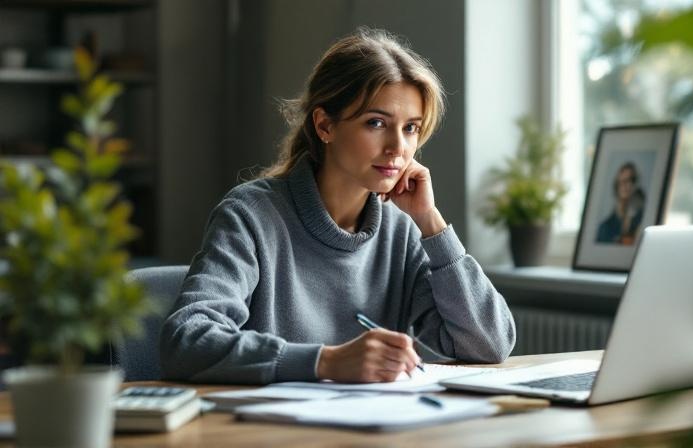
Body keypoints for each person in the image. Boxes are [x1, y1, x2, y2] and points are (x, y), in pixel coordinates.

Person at [159, 28, 516, 385]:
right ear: (325, 125)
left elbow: (490, 343)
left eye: (410, 128)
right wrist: (325, 362)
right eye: (376, 123)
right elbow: (187, 341)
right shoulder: (251, 215)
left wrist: (431, 223)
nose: (398, 147)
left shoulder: (403, 231)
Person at [596, 162, 645, 245]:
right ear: (617, 185)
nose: (627, 185)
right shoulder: (605, 227)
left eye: (632, 180)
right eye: (623, 181)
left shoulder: (642, 220)